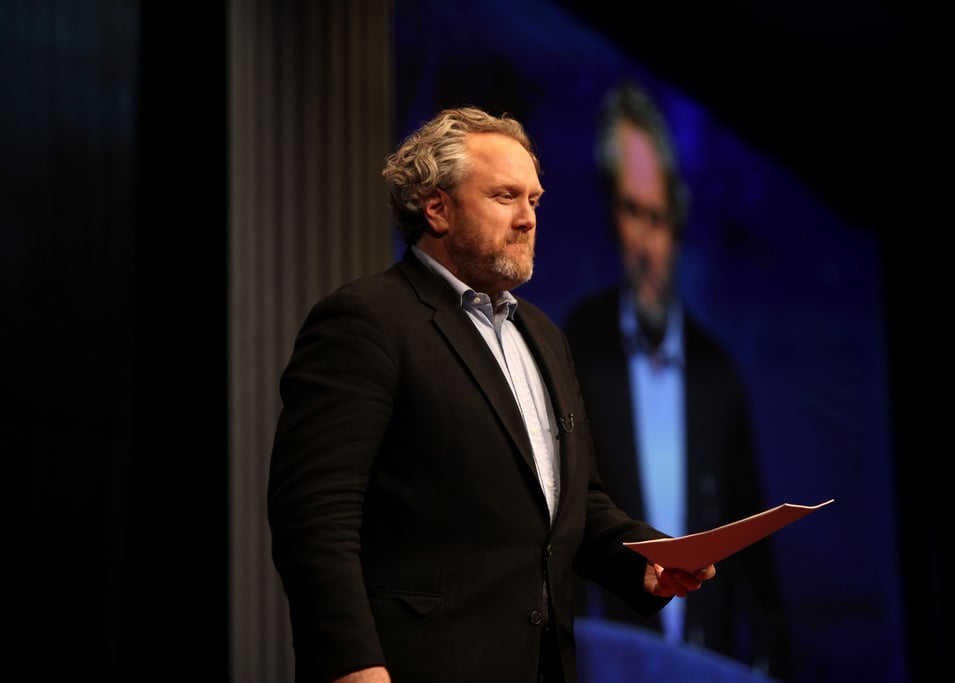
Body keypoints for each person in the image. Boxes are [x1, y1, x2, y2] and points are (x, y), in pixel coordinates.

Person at [266, 106, 716, 683]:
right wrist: (351, 664)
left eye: (534, 200)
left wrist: (648, 558)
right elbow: (315, 516)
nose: (528, 219)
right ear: (437, 208)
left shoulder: (545, 337)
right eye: (505, 197)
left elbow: (572, 505)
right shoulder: (367, 321)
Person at [562, 81, 792, 679]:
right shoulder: (575, 345)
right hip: (602, 662)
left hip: (703, 663)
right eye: (630, 214)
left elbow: (754, 552)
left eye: (657, 219)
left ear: (681, 224)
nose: (643, 242)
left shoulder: (718, 373)